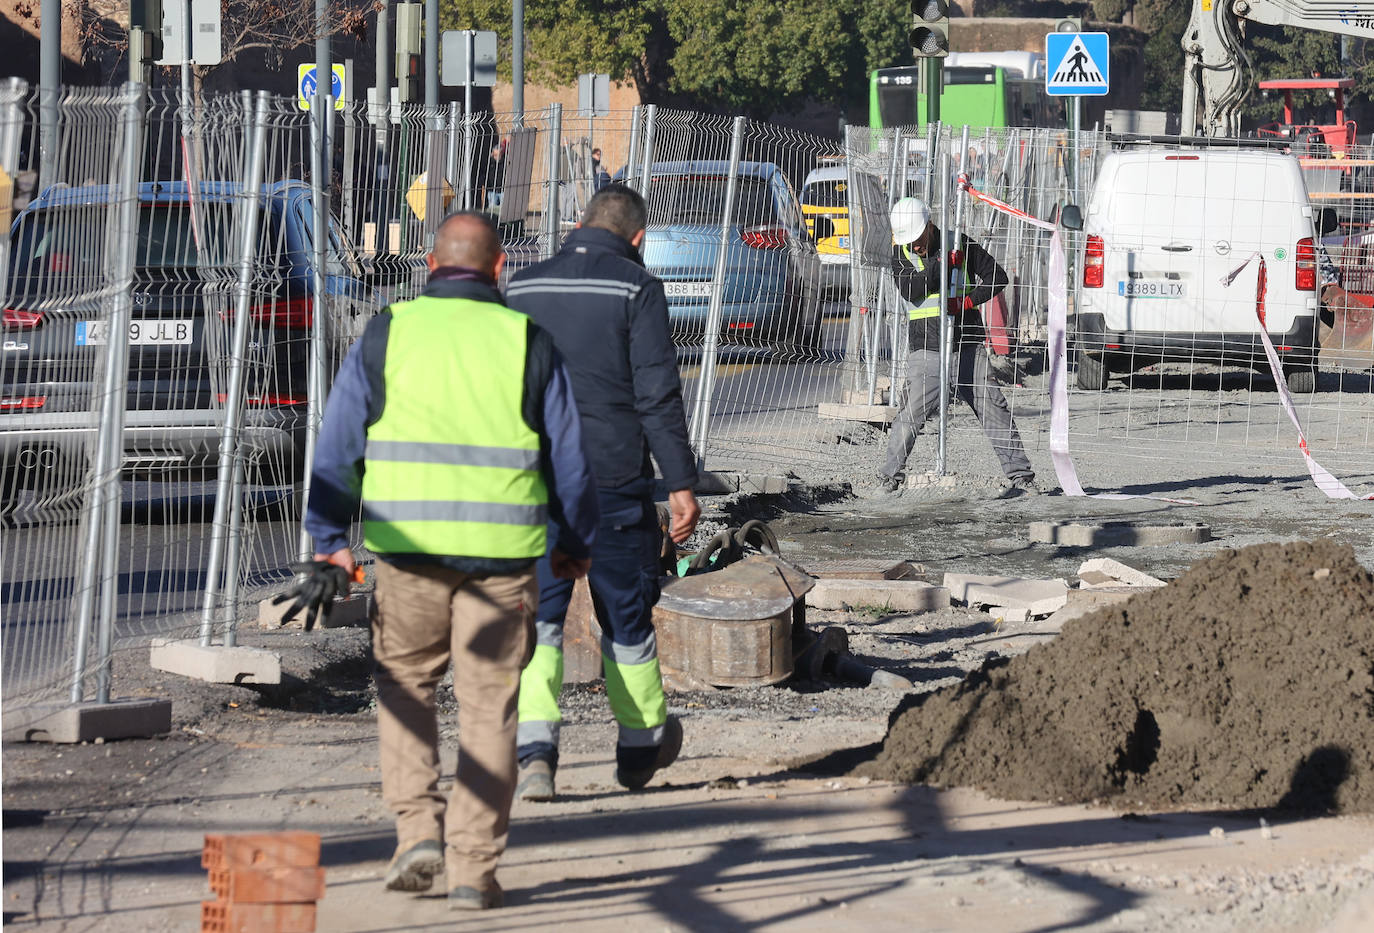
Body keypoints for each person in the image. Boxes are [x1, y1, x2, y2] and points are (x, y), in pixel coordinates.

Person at [303, 212, 598, 911]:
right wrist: (573, 542)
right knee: (490, 705)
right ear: (501, 269)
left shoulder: (387, 332)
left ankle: (416, 834)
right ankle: (472, 867)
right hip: (502, 563)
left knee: (405, 687)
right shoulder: (528, 341)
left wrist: (327, 536)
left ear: (429, 264)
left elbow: (338, 441)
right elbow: (572, 463)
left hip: (406, 557)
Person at [503, 183, 701, 801]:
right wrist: (680, 483)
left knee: (540, 618)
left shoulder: (525, 287)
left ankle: (535, 752)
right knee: (626, 620)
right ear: (636, 238)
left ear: (581, 222)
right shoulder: (637, 289)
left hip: (536, 482)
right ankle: (639, 746)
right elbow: (656, 396)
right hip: (612, 483)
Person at [876, 197, 1038, 497]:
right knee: (911, 413)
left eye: (918, 239)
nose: (915, 246)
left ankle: (1021, 478)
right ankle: (888, 478)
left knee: (993, 406)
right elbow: (912, 290)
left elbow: (997, 278)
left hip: (967, 342)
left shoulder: (959, 244)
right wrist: (941, 265)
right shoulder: (899, 253)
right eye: (909, 241)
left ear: (929, 226)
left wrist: (966, 301)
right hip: (926, 346)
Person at [485, 143, 506, 211]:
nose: (497, 157)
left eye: (499, 155)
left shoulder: (506, 162)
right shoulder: (489, 163)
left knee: (504, 210)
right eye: (495, 155)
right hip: (491, 190)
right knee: (492, 210)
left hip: (503, 190)